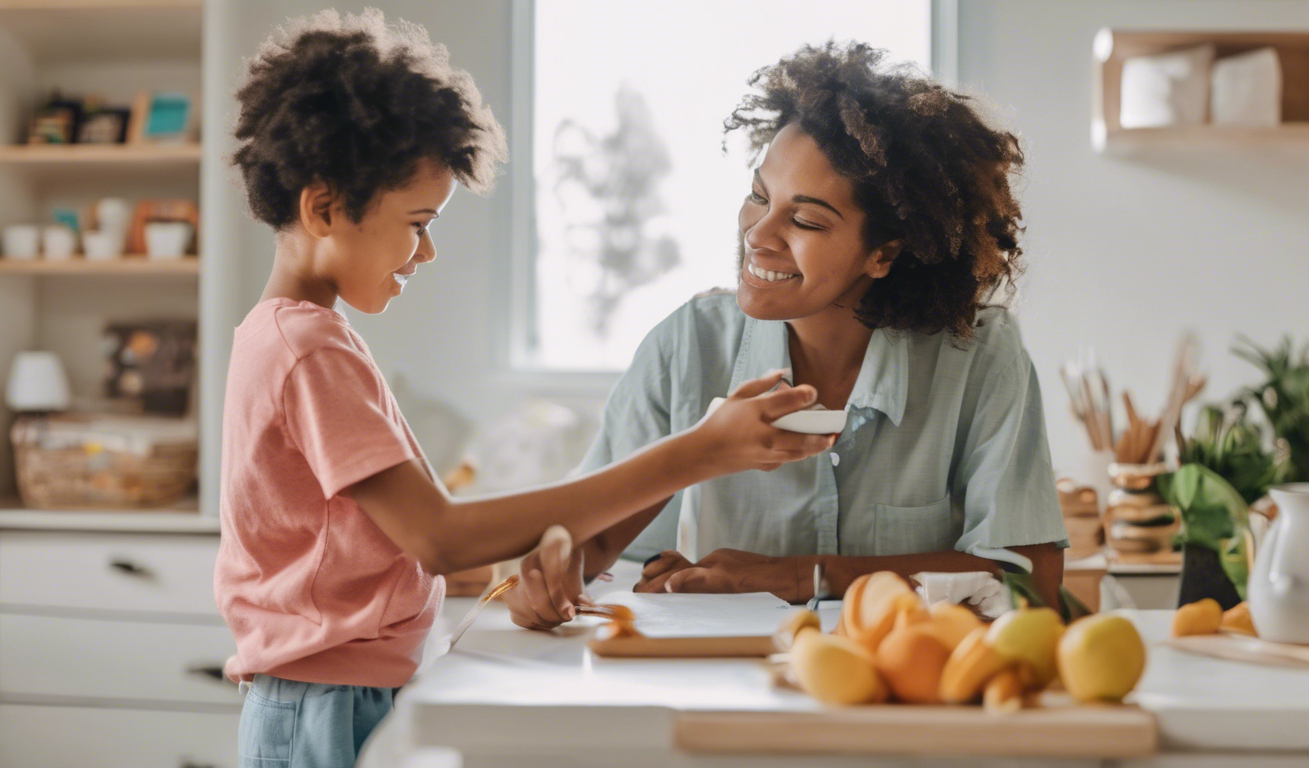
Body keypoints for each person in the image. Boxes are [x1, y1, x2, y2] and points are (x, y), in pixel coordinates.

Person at [214, 11, 835, 768]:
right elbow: (439, 537)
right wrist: (698, 453)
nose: (428, 249)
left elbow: (376, 545)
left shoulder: (291, 335)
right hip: (327, 706)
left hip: (331, 692)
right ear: (323, 207)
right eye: (418, 222)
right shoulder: (309, 348)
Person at [505, 41, 1068, 631]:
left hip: (907, 690)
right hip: (729, 690)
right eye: (758, 196)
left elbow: (1029, 580)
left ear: (884, 252)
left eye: (804, 220)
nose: (759, 233)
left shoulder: (977, 354)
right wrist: (548, 574)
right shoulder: (688, 346)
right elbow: (590, 545)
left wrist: (795, 576)